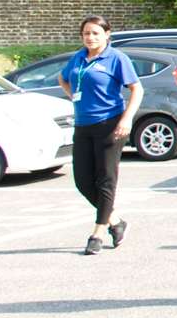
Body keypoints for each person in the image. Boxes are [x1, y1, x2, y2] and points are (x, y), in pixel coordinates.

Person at [58, 15, 142, 256]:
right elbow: (63, 78)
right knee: (83, 181)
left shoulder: (116, 58)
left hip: (110, 124)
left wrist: (126, 118)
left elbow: (136, 88)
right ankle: (115, 220)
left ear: (107, 34)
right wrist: (74, 96)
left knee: (105, 179)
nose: (90, 37)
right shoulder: (78, 57)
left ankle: (97, 232)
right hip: (83, 125)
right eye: (86, 33)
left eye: (95, 33)